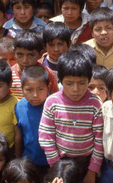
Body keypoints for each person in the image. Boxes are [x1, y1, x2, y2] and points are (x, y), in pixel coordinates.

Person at [39, 51, 103, 183]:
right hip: (60, 163)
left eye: (81, 83)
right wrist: (57, 168)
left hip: (87, 163)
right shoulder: (52, 102)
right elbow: (46, 138)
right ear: (61, 80)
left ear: (89, 80)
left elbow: (100, 140)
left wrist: (92, 171)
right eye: (69, 83)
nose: (75, 89)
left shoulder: (95, 104)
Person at [15, 66, 50, 169]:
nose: (35, 95)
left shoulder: (54, 105)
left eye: (40, 89)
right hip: (28, 162)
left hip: (52, 162)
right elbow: (19, 136)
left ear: (48, 87)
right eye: (29, 90)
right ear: (22, 89)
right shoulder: (19, 106)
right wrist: (18, 160)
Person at [10, 30, 59, 100]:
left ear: (41, 54)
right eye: (20, 54)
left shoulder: (47, 73)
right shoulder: (10, 74)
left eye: (30, 55)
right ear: (14, 52)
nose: (25, 60)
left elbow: (55, 97)